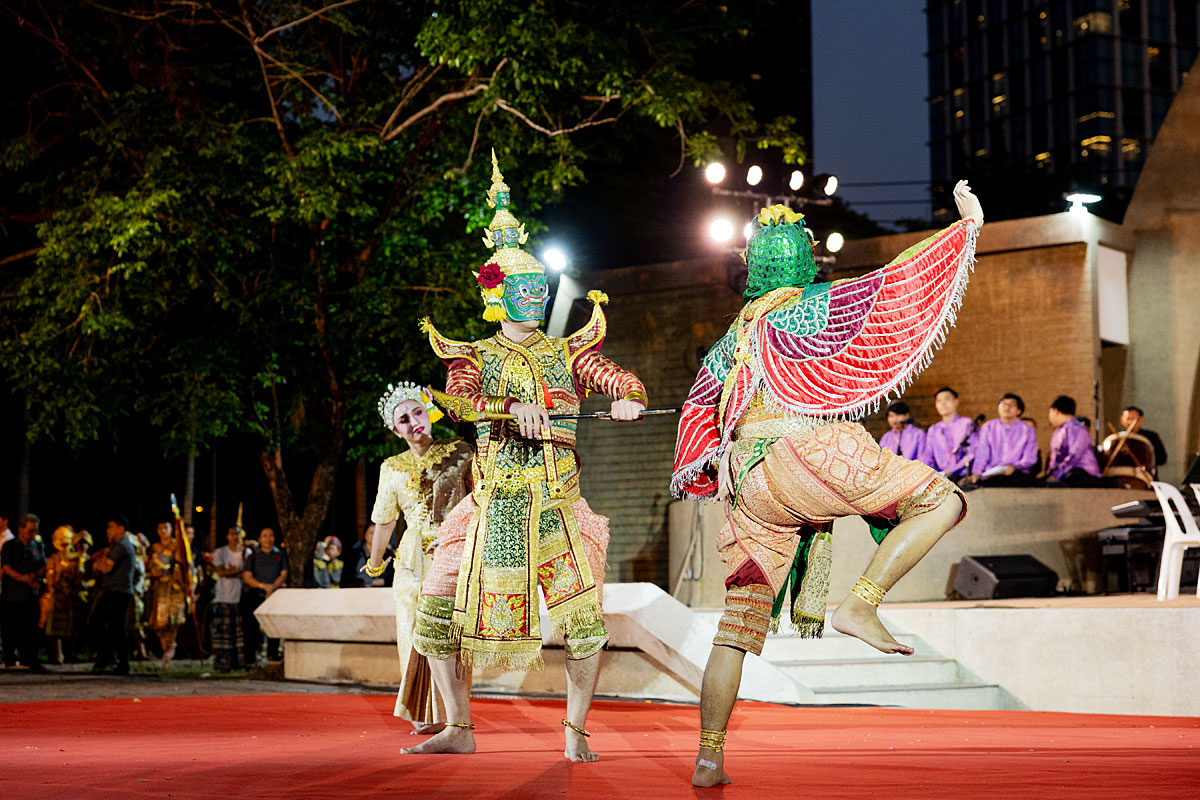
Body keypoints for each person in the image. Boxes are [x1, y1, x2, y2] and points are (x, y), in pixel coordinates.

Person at [671, 181, 982, 787]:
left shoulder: (732, 339)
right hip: (808, 453)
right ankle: (861, 603)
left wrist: (718, 464)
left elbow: (696, 420)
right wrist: (961, 231)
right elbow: (891, 288)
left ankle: (709, 758)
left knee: (734, 629)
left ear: (755, 269)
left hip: (751, 489)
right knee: (942, 499)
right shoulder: (812, 307)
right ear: (804, 262)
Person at [389, 151, 647, 761]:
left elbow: (619, 377)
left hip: (559, 505)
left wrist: (629, 398)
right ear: (497, 293)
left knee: (585, 627)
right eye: (521, 288)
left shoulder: (568, 353)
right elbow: (459, 405)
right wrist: (509, 409)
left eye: (540, 288)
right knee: (432, 616)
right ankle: (459, 727)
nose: (533, 298)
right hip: (491, 507)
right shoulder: (472, 356)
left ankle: (576, 732)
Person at [367, 382, 473, 733]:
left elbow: (480, 501)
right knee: (412, 633)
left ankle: (455, 715)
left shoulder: (461, 453)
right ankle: (424, 716)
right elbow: (385, 520)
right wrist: (375, 561)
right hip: (411, 561)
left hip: (454, 553)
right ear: (394, 429)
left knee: (453, 636)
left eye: (417, 412)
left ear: (429, 413)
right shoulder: (391, 468)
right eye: (403, 419)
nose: (413, 422)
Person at [962, 393, 1039, 488]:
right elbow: (982, 454)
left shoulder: (1027, 430)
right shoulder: (989, 427)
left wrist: (1014, 467)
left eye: (1011, 404)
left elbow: (1030, 458)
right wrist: (976, 473)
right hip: (992, 473)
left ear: (1019, 411)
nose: (1006, 407)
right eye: (1003, 403)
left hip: (1016, 473)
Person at [91, 516, 136, 674]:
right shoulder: (118, 545)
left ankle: (114, 658)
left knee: (104, 623)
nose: (108, 530)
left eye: (111, 527)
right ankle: (114, 658)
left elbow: (105, 568)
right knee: (111, 625)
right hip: (116, 591)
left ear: (121, 528)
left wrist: (98, 562)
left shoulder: (121, 545)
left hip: (118, 591)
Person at [1, 513, 46, 671]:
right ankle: (11, 661)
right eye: (30, 531)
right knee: (11, 629)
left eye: (35, 531)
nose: (33, 534)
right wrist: (24, 578)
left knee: (31, 629)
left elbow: (43, 565)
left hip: (31, 595)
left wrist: (35, 576)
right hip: (13, 595)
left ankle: (30, 660)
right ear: (20, 529)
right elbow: (6, 568)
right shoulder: (10, 545)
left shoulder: (37, 545)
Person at [240, 527, 288, 665]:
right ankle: (250, 661)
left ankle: (273, 656)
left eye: (271, 535)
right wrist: (263, 586)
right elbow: (247, 577)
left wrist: (272, 588)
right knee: (250, 628)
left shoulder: (279, 554)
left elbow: (283, 573)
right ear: (260, 539)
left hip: (274, 594)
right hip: (255, 594)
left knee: (274, 626)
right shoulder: (253, 556)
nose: (268, 539)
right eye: (265, 536)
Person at [40, 525, 86, 664]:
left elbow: (79, 576)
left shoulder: (75, 559)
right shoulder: (52, 559)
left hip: (70, 596)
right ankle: (58, 654)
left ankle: (71, 653)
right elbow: (50, 578)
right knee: (55, 625)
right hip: (56, 596)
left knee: (71, 625)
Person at [147, 521, 189, 664]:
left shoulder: (176, 545)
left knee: (172, 620)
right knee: (158, 622)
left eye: (166, 527)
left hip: (173, 587)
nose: (163, 530)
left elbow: (182, 564)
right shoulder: (155, 547)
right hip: (159, 587)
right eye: (160, 527)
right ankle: (164, 647)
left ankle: (170, 648)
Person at [209, 526, 247, 672]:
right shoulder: (221, 552)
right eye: (232, 533)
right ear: (227, 536)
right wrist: (238, 571)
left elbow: (246, 574)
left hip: (239, 596)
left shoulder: (246, 552)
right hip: (223, 596)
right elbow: (220, 572)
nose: (235, 536)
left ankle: (239, 663)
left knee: (238, 633)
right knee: (223, 633)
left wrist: (231, 572)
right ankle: (222, 664)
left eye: (237, 533)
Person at [1046, 396, 1103, 487]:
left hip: (1081, 472)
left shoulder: (1075, 427)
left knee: (1072, 476)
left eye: (1049, 412)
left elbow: (1075, 455)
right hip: (1065, 473)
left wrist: (1058, 475)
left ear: (1055, 411)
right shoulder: (1059, 431)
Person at [925, 387, 977, 479]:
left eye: (947, 399)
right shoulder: (933, 429)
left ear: (956, 402)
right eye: (939, 401)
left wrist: (952, 470)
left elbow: (973, 452)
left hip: (963, 476)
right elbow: (928, 456)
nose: (943, 404)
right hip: (940, 477)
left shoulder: (967, 424)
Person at [878, 401, 932, 466]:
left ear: (907, 415)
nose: (894, 419)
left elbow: (924, 460)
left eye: (898, 415)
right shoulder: (886, 437)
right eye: (891, 416)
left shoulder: (918, 434)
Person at [1120, 406, 1168, 472]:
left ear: (1141, 419)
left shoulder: (1151, 436)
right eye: (1128, 419)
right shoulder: (1118, 438)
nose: (1131, 422)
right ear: (1122, 420)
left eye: (1134, 419)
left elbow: (1162, 458)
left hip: (1147, 477)